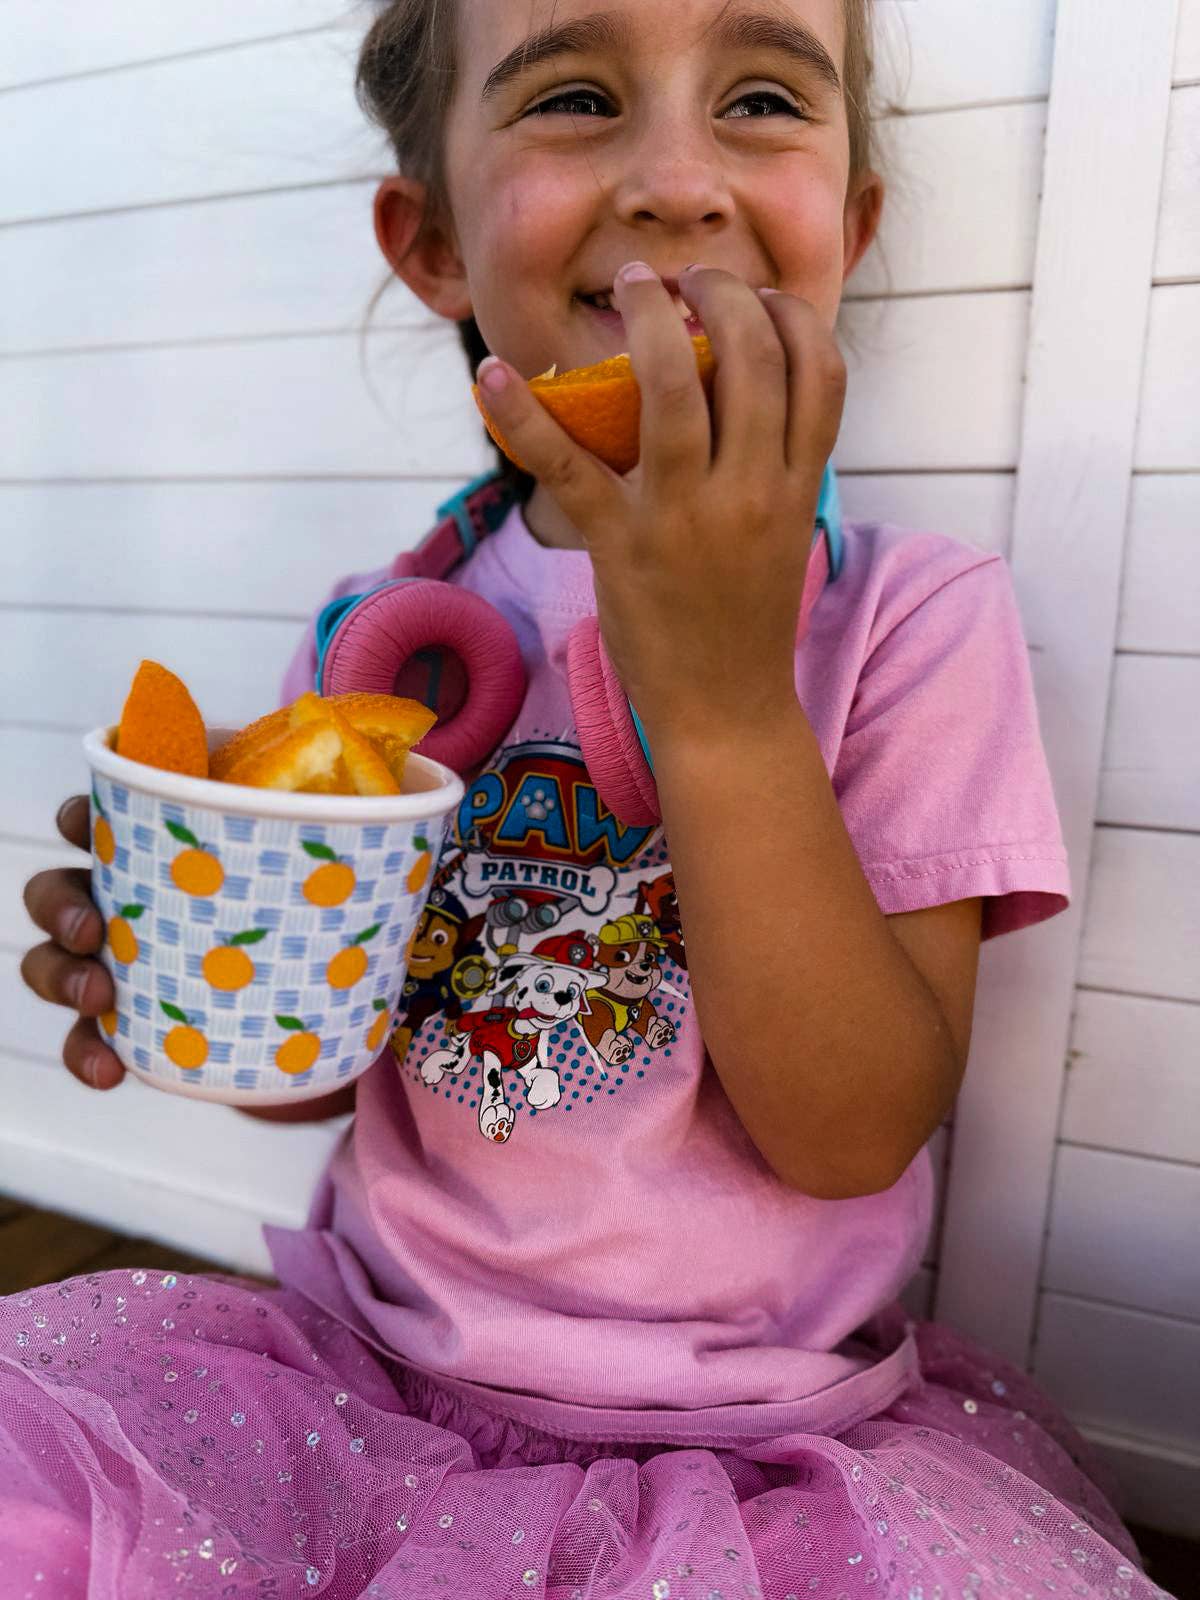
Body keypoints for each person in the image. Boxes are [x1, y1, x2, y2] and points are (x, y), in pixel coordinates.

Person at [5, 2, 1175, 1596]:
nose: (678, 178)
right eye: (574, 96)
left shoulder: (910, 619)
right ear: (430, 244)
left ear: (851, 226)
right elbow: (324, 1072)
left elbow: (852, 1134)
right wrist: (197, 968)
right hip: (359, 1383)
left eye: (762, 96)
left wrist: (719, 700)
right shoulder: (378, 642)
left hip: (760, 1459)